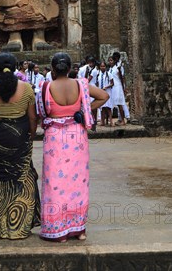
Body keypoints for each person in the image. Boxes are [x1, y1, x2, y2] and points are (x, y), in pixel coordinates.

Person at [36, 52, 108, 242]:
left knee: (55, 183)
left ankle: (58, 231)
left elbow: (40, 113)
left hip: (55, 138)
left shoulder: (45, 87)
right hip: (76, 136)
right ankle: (79, 229)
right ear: (70, 69)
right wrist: (84, 109)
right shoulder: (81, 85)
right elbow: (104, 96)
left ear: (52, 69)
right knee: (78, 183)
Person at [0, 52, 41, 239]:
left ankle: (3, 229)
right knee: (22, 180)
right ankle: (21, 229)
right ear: (16, 67)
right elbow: (32, 117)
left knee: (0, 181)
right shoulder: (26, 89)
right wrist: (30, 136)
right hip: (20, 137)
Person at [108, 53, 127, 126]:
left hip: (118, 87)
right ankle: (119, 119)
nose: (111, 62)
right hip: (113, 87)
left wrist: (124, 88)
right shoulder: (111, 69)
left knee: (120, 104)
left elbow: (122, 78)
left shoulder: (118, 68)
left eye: (112, 60)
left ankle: (123, 120)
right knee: (116, 104)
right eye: (109, 60)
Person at [95, 60, 114, 126]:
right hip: (101, 92)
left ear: (106, 67)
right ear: (99, 67)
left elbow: (112, 83)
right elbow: (97, 83)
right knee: (102, 107)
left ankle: (111, 121)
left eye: (104, 66)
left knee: (108, 107)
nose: (102, 67)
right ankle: (102, 121)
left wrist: (106, 87)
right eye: (101, 66)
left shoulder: (109, 74)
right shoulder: (98, 75)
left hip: (107, 92)